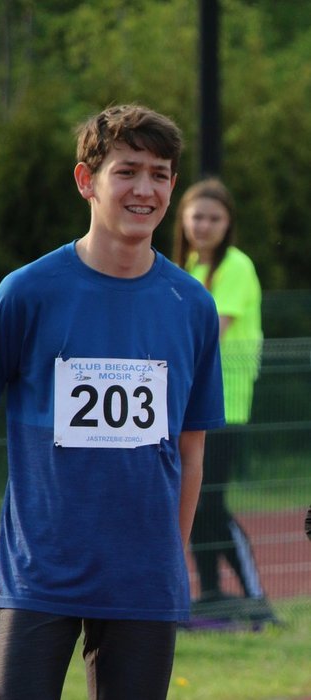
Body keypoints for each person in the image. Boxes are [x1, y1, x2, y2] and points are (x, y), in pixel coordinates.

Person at [0, 105, 225, 700]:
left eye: (160, 174)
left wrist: (170, 561)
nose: (145, 189)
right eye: (127, 171)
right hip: (41, 576)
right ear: (86, 181)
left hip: (143, 584)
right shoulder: (27, 292)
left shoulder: (191, 305)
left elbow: (191, 449)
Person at [173, 177, 276, 622]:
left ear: (228, 222)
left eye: (214, 218)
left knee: (211, 501)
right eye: (197, 216)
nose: (204, 225)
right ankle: (212, 593)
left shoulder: (236, 266)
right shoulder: (186, 266)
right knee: (194, 500)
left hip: (226, 403)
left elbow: (212, 331)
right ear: (183, 219)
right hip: (186, 401)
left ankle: (256, 597)